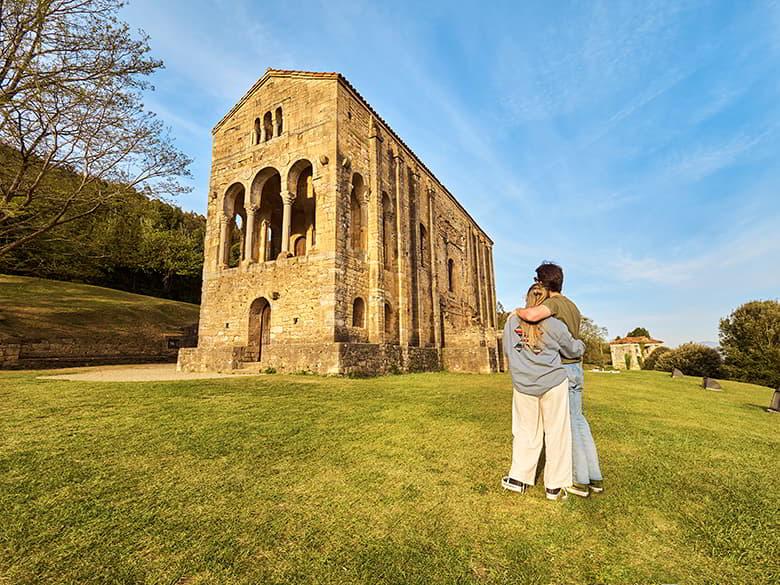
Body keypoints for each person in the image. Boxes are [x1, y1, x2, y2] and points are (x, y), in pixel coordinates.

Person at [515, 262, 603, 497]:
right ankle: (594, 476)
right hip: (577, 368)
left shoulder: (552, 304)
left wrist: (518, 312)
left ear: (542, 283)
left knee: (567, 426)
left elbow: (532, 314)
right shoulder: (572, 305)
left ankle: (578, 478)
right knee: (579, 421)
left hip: (563, 368)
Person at [501, 283, 585, 501]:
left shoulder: (511, 322)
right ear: (546, 302)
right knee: (557, 433)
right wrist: (581, 346)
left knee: (525, 432)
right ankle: (554, 487)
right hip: (552, 384)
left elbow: (507, 349)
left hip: (523, 385)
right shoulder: (554, 324)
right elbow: (572, 348)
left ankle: (518, 479)